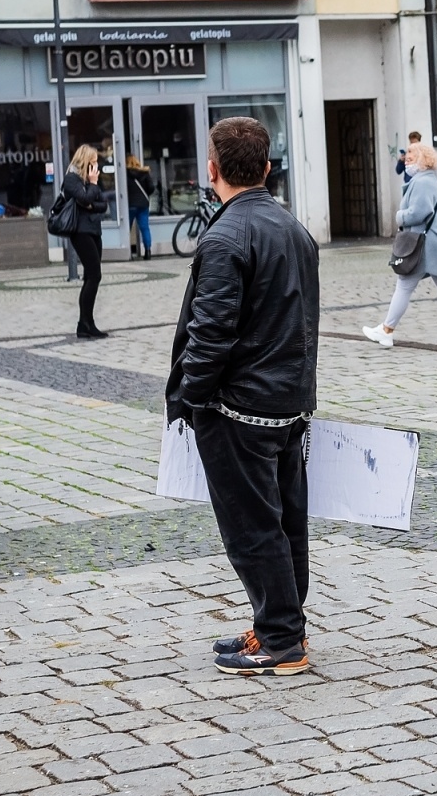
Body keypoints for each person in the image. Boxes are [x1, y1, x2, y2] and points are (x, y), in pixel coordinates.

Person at [166, 117, 320, 677]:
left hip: (240, 409)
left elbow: (210, 333)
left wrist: (194, 399)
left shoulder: (227, 235)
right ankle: (280, 626)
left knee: (253, 529)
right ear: (266, 167)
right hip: (288, 402)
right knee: (283, 525)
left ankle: (282, 640)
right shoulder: (294, 228)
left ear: (212, 171)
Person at [362, 142, 437, 348]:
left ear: (424, 158)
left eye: (412, 155)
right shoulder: (429, 180)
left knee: (405, 285)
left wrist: (399, 217)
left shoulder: (423, 182)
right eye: (406, 155)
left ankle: (386, 331)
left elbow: (419, 212)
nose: (407, 157)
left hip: (427, 244)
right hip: (436, 242)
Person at [61, 146, 109, 339]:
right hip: (80, 232)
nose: (96, 165)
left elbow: (103, 205)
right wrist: (93, 186)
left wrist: (90, 202)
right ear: (85, 160)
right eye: (93, 161)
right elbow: (85, 198)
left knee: (92, 276)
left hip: (94, 230)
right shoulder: (71, 179)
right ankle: (84, 323)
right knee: (94, 276)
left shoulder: (91, 179)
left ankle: (87, 323)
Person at [126, 155, 155, 259]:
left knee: (126, 228)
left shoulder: (125, 174)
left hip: (130, 205)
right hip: (143, 204)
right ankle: (148, 252)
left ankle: (128, 253)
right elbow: (151, 188)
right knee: (144, 228)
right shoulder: (145, 173)